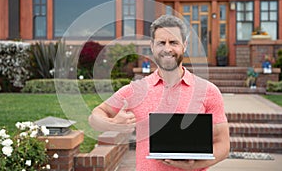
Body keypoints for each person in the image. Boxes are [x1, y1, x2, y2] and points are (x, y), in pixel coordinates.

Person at [89, 15, 230, 171]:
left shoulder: (208, 91)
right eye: (161, 43)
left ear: (184, 45)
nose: (167, 49)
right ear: (152, 46)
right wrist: (113, 123)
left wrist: (194, 165)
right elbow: (94, 117)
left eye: (174, 42)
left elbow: (223, 144)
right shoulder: (136, 90)